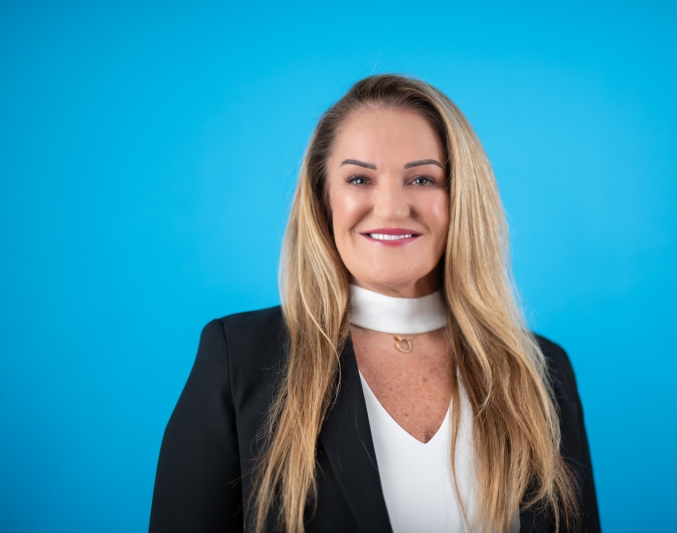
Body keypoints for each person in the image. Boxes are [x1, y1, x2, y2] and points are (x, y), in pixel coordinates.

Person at [149, 74, 601, 533]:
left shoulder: (541, 369)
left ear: (461, 197)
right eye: (360, 178)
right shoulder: (238, 359)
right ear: (323, 199)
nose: (390, 208)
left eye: (423, 178)